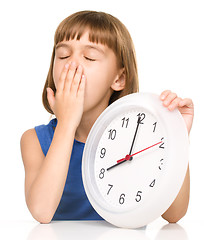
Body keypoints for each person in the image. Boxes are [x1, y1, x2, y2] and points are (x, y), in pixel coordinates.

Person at [20, 10, 194, 224]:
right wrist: (66, 123)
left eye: (89, 57)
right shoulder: (34, 141)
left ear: (119, 78)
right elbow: (41, 211)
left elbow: (173, 214)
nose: (71, 65)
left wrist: (177, 138)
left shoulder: (139, 138)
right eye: (63, 55)